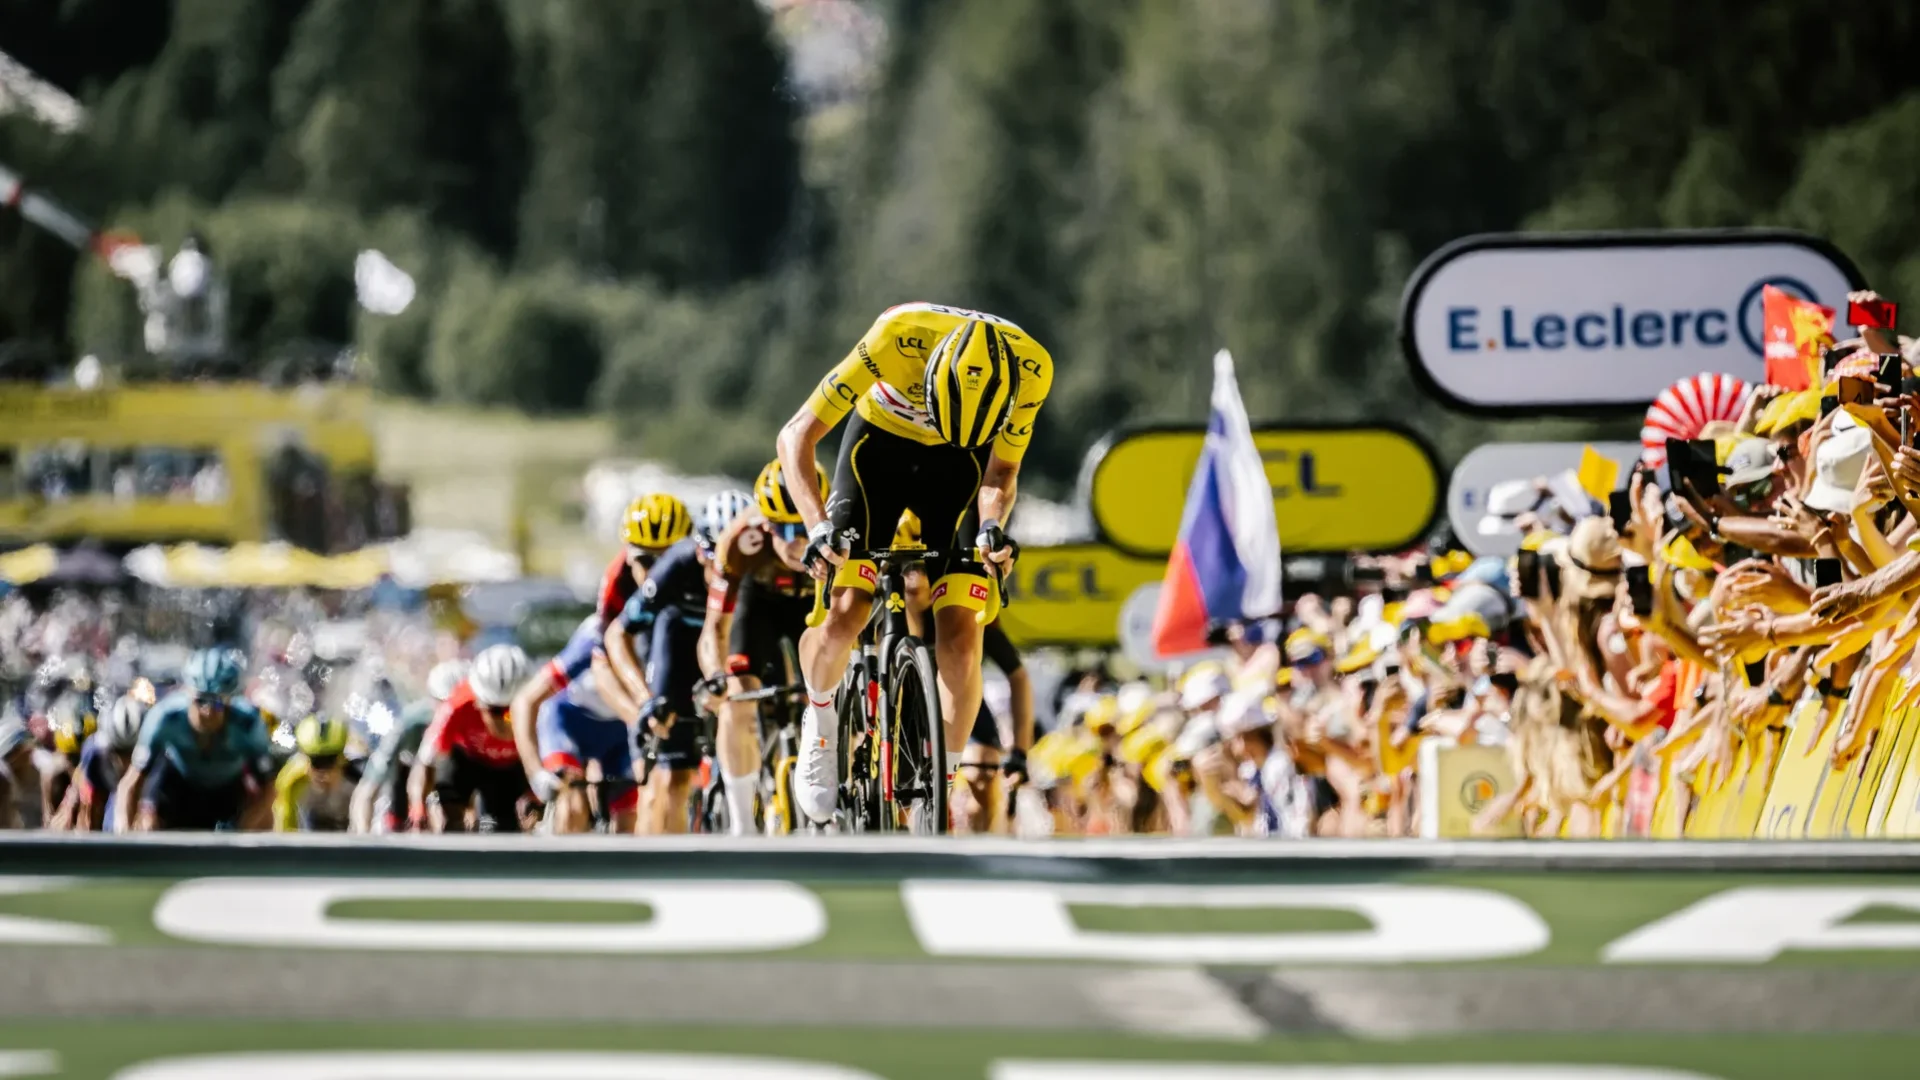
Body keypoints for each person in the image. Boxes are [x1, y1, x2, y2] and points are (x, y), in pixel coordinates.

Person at [776, 303, 1054, 824]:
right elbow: (796, 437)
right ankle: (821, 721)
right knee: (847, 611)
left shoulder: (1031, 369)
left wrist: (992, 525)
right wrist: (818, 528)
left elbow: (1002, 469)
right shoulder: (895, 338)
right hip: (879, 448)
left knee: (963, 634)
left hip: (960, 464)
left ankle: (940, 785)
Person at [701, 461, 821, 835]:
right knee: (738, 700)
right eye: (786, 530)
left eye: (804, 527)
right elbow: (715, 628)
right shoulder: (739, 542)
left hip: (813, 602)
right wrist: (715, 678)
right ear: (766, 527)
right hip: (761, 603)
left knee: (830, 689)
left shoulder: (838, 522)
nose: (798, 540)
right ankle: (742, 824)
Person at [600, 493, 703, 833]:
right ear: (628, 555)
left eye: (668, 557)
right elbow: (606, 662)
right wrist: (641, 709)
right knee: (659, 774)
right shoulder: (618, 581)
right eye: (645, 560)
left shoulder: (699, 563)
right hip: (641, 658)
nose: (659, 571)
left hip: (691, 640)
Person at [114, 647, 274, 832]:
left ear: (230, 702)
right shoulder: (165, 718)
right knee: (148, 823)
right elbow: (131, 783)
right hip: (178, 785)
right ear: (188, 694)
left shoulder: (248, 724)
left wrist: (243, 833)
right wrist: (124, 837)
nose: (208, 711)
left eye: (217, 703)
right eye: (201, 700)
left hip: (227, 790)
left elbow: (269, 790)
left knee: (262, 819)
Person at [524, 615, 640, 834]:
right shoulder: (593, 639)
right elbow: (525, 701)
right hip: (569, 720)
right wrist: (535, 773)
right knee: (573, 805)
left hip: (619, 727)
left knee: (629, 816)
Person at [410, 644, 532, 833]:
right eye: (495, 711)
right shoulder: (457, 705)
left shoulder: (539, 705)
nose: (504, 720)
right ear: (478, 702)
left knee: (505, 826)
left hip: (512, 767)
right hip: (469, 763)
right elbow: (425, 762)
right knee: (448, 805)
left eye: (511, 712)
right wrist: (418, 810)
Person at [353, 658, 465, 832]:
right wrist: (361, 837)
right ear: (432, 699)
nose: (448, 713)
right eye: (442, 705)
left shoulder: (474, 721)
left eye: (456, 707)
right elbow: (367, 790)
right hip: (406, 775)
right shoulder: (409, 723)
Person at [64, 693, 144, 832]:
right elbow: (87, 814)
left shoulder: (156, 753)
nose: (125, 762)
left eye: (131, 753)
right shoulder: (94, 754)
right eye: (119, 753)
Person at [272, 714, 355, 832]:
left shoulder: (357, 778)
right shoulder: (291, 781)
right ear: (304, 756)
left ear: (342, 757)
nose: (323, 772)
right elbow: (283, 829)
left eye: (329, 761)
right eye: (316, 762)